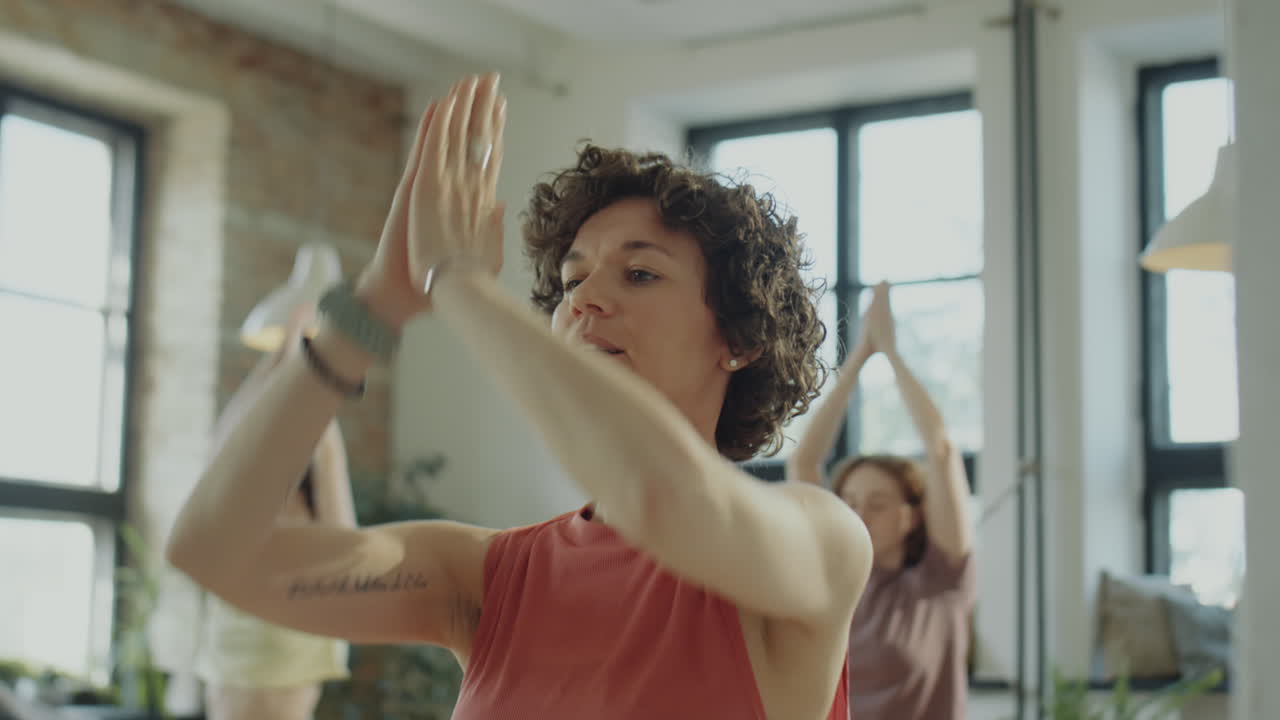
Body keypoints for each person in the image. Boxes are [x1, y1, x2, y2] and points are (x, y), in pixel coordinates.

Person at [166, 72, 872, 720]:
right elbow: (213, 551)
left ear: (741, 337)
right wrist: (372, 308)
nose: (586, 300)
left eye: (640, 275)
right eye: (571, 282)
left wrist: (460, 283)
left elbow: (665, 498)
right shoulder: (484, 579)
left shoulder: (817, 538)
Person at [787, 281, 975, 720]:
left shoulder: (940, 581)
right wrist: (856, 360)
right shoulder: (834, 583)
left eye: (876, 503)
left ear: (911, 517)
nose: (856, 513)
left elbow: (940, 448)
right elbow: (804, 462)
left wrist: (889, 352)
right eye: (849, 500)